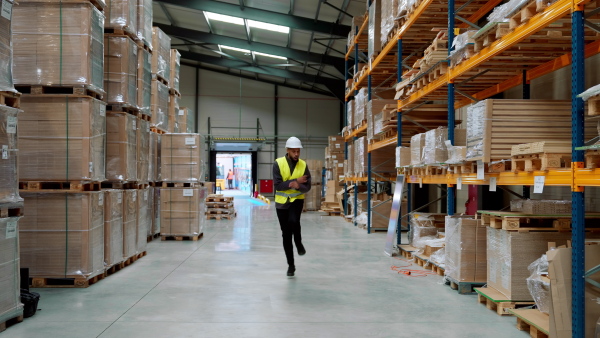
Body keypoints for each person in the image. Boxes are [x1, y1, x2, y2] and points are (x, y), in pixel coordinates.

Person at [273, 136, 311, 277]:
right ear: (288, 150)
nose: (296, 154)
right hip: (281, 203)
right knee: (286, 234)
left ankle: (299, 243)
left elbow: (307, 187)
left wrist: (299, 185)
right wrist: (294, 182)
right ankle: (291, 265)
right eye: (294, 151)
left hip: (296, 201)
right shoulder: (278, 163)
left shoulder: (303, 165)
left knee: (294, 221)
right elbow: (278, 186)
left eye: (298, 151)